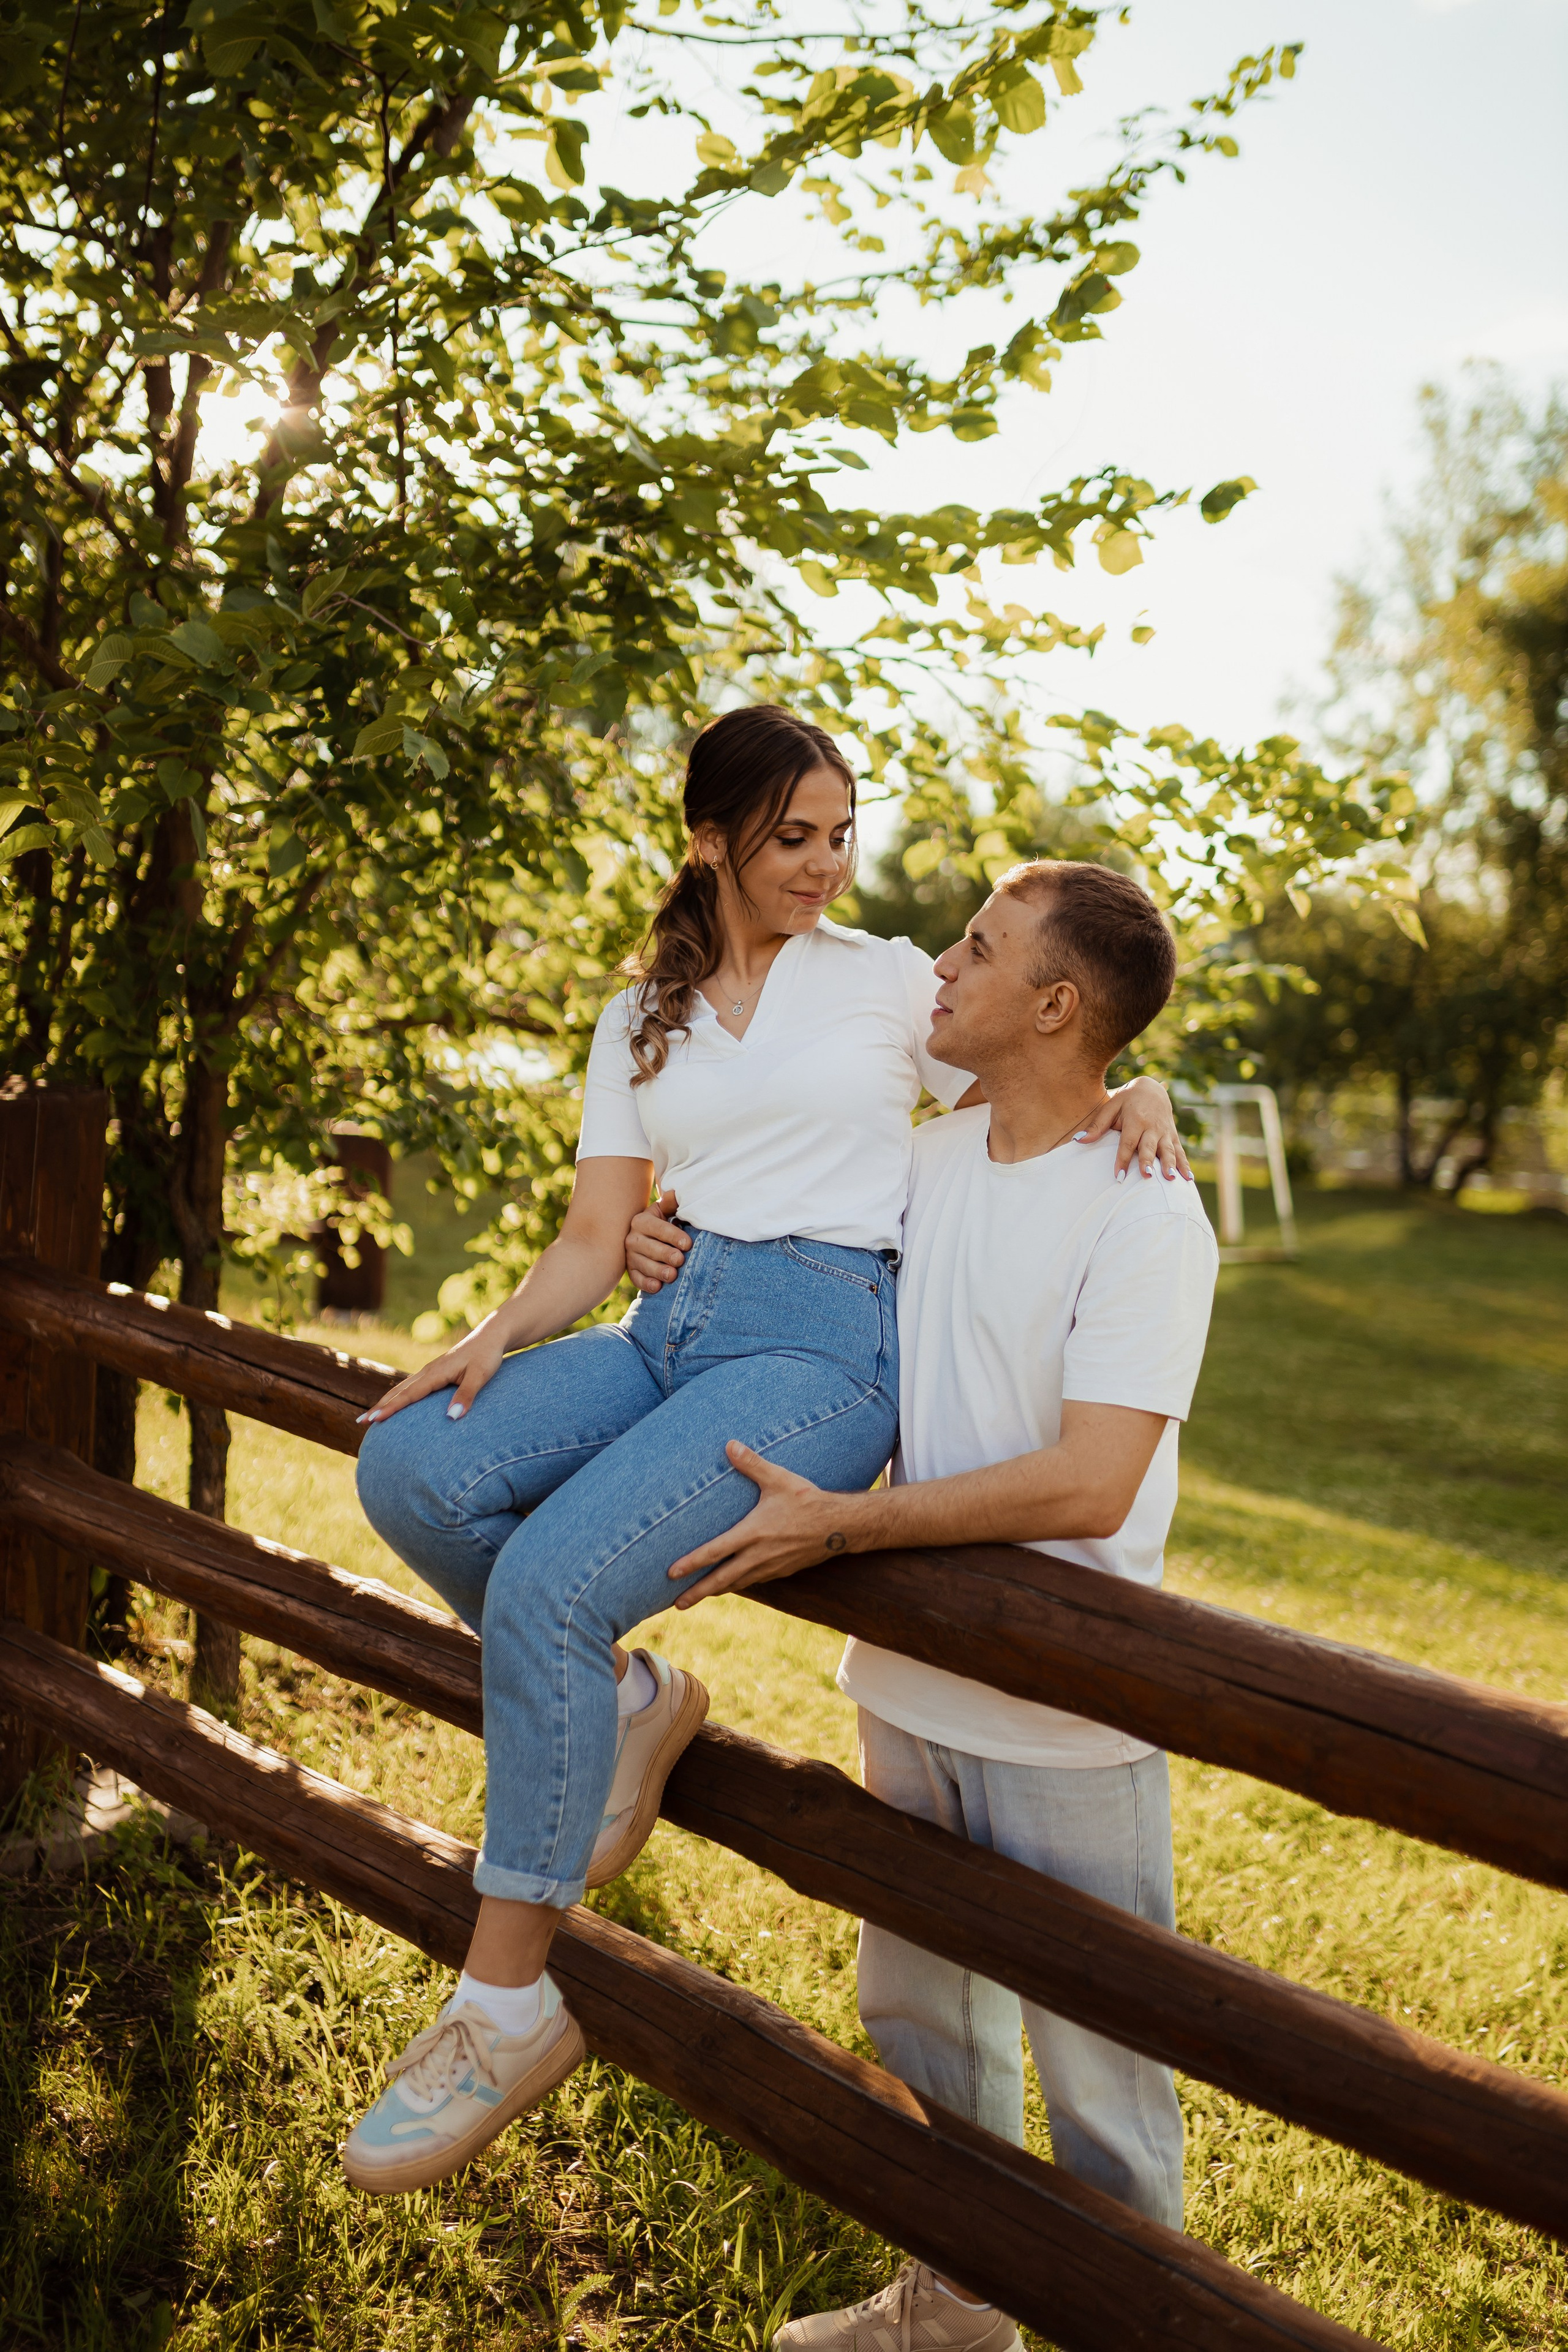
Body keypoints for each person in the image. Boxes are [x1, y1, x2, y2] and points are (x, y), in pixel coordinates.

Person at [341, 704, 1186, 2198]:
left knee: (545, 1578)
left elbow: (1037, 1069)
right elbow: (601, 1232)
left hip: (817, 1342)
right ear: (710, 840)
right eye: (793, 837)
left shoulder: (881, 987)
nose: (827, 865)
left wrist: (1141, 1088)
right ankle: (628, 1698)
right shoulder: (638, 1019)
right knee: (415, 1468)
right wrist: (491, 1333)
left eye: (840, 834)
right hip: (676, 1315)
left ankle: (503, 2004)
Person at [631, 858, 1218, 2352]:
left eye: (976, 947)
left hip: (1067, 1723)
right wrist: (657, 1236)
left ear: (1054, 1003)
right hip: (904, 1687)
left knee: (1100, 2079)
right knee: (920, 2022)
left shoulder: (1147, 1213)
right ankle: (954, 2312)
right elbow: (775, 1237)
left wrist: (849, 1528)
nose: (937, 968)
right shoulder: (926, 1162)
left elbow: (1090, 1482)